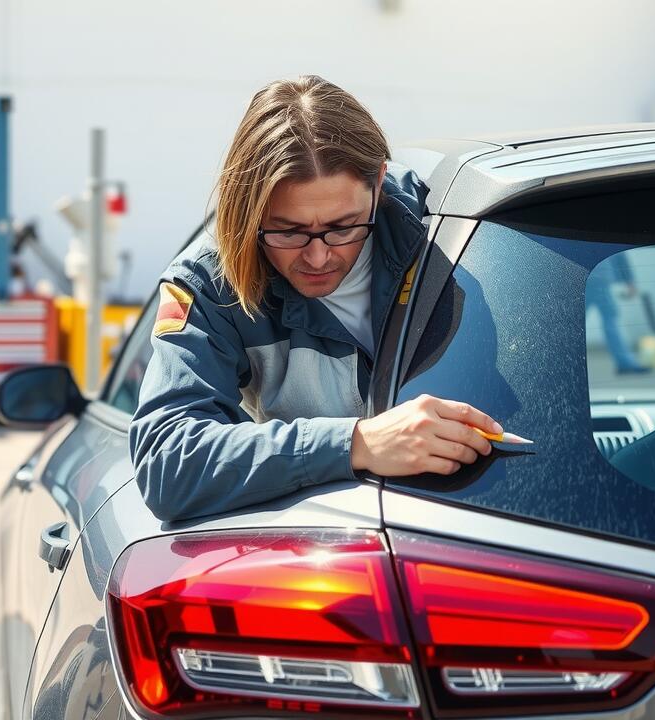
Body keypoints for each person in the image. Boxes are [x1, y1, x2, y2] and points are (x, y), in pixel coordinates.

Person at [129, 75, 499, 522]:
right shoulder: (210, 282)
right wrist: (356, 444)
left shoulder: (461, 236)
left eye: (344, 227)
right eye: (288, 231)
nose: (319, 255)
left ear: (379, 183)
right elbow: (167, 464)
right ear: (248, 210)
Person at [587, 253, 650, 374]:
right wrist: (630, 281)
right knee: (610, 319)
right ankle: (625, 362)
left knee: (572, 324)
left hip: (584, 278)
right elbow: (619, 254)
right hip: (599, 279)